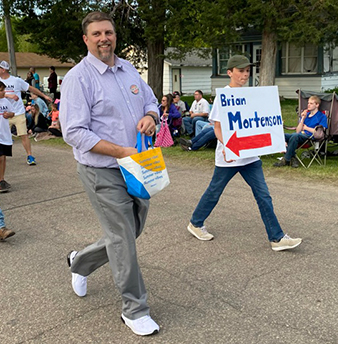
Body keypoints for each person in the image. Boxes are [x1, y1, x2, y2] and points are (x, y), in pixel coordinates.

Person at [59, 11, 160, 337]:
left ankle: (80, 262)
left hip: (137, 166)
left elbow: (150, 99)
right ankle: (135, 309)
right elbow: (73, 132)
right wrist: (120, 151)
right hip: (101, 170)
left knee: (131, 230)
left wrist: (150, 116)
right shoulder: (78, 78)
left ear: (115, 36)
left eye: (109, 32)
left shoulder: (128, 68)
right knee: (122, 237)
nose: (104, 38)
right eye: (97, 34)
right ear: (86, 39)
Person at [186, 55, 302, 252]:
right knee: (214, 192)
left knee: (263, 195)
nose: (245, 74)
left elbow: (260, 123)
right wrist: (230, 147)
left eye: (247, 71)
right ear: (230, 72)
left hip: (250, 157)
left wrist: (275, 141)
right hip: (228, 157)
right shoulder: (224, 96)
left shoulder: (252, 96)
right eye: (241, 71)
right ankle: (196, 223)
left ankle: (277, 238)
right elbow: (217, 129)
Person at [0, 60, 52, 165]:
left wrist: (44, 96)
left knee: (24, 135)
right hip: (3, 114)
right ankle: (2, 158)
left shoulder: (16, 81)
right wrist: (8, 95)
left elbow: (31, 88)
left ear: (3, 69)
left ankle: (30, 156)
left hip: (18, 112)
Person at [274, 95, 328, 168]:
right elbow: (298, 130)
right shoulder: (306, 115)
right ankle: (293, 158)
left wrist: (306, 128)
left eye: (311, 103)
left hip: (309, 138)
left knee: (295, 136)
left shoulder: (322, 116)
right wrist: (302, 118)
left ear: (317, 105)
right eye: (308, 103)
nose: (308, 105)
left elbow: (318, 132)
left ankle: (286, 160)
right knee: (280, 135)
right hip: (299, 135)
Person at [0, 81, 15, 193]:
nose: (4, 92)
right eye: (1, 90)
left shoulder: (5, 101)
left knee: (3, 157)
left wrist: (9, 114)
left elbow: (12, 113)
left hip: (4, 134)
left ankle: (1, 180)